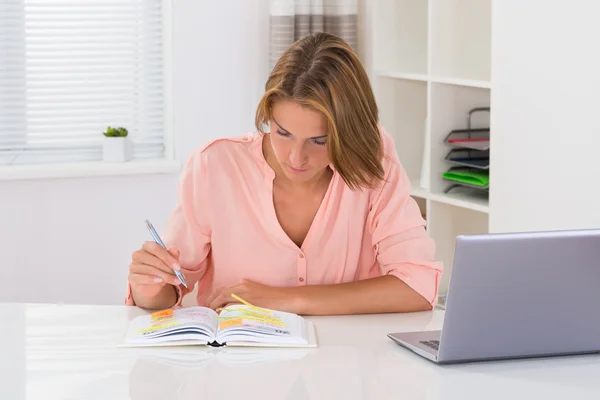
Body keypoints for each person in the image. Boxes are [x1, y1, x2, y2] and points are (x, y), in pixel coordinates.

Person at [125, 32, 443, 315]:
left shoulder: (373, 158)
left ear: (350, 133)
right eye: (283, 132)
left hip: (347, 364)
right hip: (237, 369)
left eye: (319, 141)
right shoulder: (216, 165)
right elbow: (169, 292)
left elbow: (416, 285)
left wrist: (287, 299)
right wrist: (148, 284)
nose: (296, 158)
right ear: (268, 115)